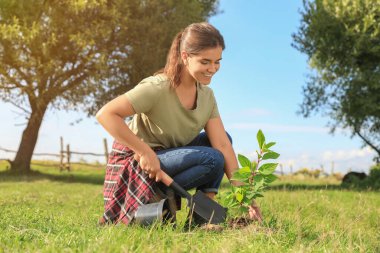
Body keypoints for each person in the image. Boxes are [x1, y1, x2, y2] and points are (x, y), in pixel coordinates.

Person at [96, 22, 262, 226]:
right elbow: (106, 114)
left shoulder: (207, 96)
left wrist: (245, 197)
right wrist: (145, 151)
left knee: (223, 140)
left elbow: (222, 145)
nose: (213, 69)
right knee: (213, 159)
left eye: (217, 62)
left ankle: (201, 219)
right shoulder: (157, 87)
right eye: (205, 62)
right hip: (140, 162)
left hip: (172, 156)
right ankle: (154, 196)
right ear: (185, 56)